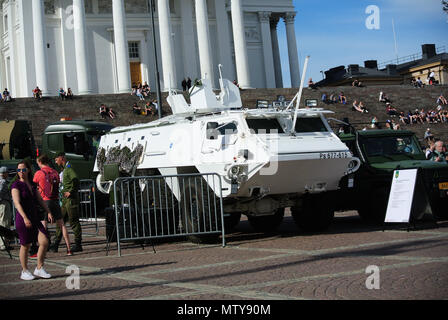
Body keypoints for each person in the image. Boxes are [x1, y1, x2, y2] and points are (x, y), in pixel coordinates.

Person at [11, 161, 52, 280]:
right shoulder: (16, 185)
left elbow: (40, 200)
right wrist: (24, 217)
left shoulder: (33, 185)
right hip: (23, 218)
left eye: (23, 170)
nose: (21, 172)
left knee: (44, 241)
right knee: (25, 245)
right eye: (18, 170)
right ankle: (24, 271)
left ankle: (39, 268)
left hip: (34, 218)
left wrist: (48, 211)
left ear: (28, 170)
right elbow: (17, 203)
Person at [33, 155, 72, 256]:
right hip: (55, 201)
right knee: (62, 225)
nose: (37, 164)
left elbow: (34, 186)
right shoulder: (55, 172)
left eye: (38, 163)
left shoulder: (38, 173)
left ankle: (44, 247)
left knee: (43, 225)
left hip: (44, 201)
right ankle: (69, 249)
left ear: (41, 162)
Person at [50, 152, 83, 253]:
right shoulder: (64, 169)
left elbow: (76, 179)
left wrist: (71, 191)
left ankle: (78, 244)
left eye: (56, 159)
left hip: (70, 200)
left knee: (73, 222)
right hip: (64, 201)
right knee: (60, 221)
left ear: (61, 158)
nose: (55, 161)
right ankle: (55, 244)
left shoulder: (68, 169)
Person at [0, 167, 12, 251]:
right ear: (4, 173)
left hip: (2, 203)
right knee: (4, 223)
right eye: (7, 173)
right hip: (3, 203)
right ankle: (4, 244)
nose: (8, 174)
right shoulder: (3, 182)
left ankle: (3, 243)